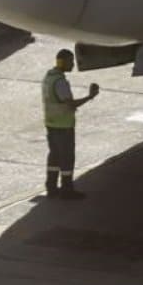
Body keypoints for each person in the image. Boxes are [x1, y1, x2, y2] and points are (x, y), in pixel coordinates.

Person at [42, 49, 98, 200]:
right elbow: (70, 104)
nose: (73, 64)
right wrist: (90, 96)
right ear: (63, 62)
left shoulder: (49, 77)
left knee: (54, 156)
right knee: (67, 158)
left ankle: (51, 187)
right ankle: (67, 189)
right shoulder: (60, 82)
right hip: (63, 126)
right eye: (71, 61)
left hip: (51, 123)